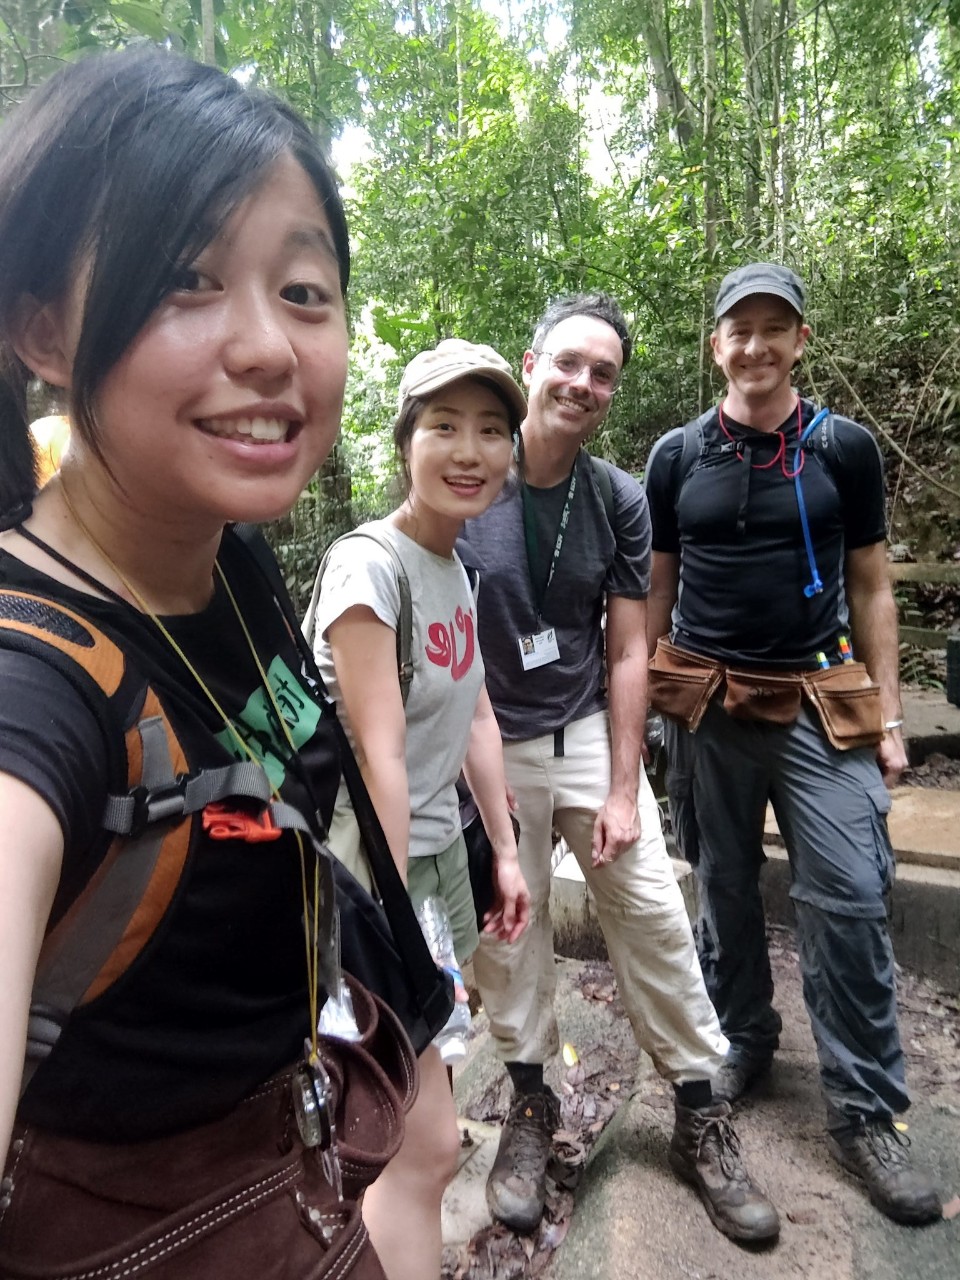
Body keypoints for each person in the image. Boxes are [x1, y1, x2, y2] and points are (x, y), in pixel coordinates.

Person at [0, 47, 416, 1277]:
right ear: (45, 330)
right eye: (185, 279)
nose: (268, 347)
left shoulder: (228, 557)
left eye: (302, 288)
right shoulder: (34, 684)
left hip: (296, 1176)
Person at [457, 294, 780, 1245]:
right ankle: (527, 1104)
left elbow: (631, 647)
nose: (583, 385)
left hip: (589, 727)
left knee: (650, 914)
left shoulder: (618, 497)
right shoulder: (469, 475)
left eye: (603, 373)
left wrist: (622, 783)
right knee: (508, 934)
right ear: (530, 362)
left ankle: (695, 1113)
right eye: (569, 364)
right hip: (491, 742)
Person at [644, 262, 941, 1226]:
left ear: (801, 341)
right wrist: (651, 697)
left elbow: (873, 586)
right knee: (722, 883)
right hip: (707, 704)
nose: (757, 346)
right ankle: (744, 1040)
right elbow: (656, 585)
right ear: (715, 344)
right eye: (740, 329)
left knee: (850, 893)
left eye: (777, 328)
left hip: (821, 699)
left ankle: (866, 1112)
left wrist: (890, 718)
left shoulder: (842, 449)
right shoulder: (678, 456)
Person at [310, 339, 532, 1280]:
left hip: (431, 866)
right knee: (416, 1141)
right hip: (370, 876)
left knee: (411, 1134)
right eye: (444, 426)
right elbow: (382, 753)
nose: (469, 449)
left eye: (491, 430)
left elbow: (477, 712)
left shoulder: (456, 567)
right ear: (406, 441)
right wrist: (402, 925)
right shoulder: (372, 568)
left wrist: (509, 854)